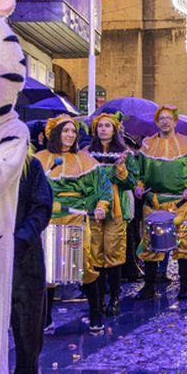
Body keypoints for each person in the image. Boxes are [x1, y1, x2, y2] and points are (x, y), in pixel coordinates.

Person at [36, 116, 113, 332]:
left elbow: (104, 187)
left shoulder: (85, 160)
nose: (70, 135)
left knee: (85, 266)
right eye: (65, 130)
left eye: (73, 131)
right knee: (49, 269)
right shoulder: (40, 159)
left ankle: (96, 313)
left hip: (77, 218)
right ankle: (45, 318)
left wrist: (101, 206)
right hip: (49, 219)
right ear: (55, 133)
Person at [127, 103, 187, 301]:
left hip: (179, 202)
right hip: (153, 202)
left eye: (168, 118)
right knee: (150, 245)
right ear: (156, 121)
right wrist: (138, 186)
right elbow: (139, 172)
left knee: (183, 246)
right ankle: (149, 286)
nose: (164, 122)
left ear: (175, 121)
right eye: (161, 118)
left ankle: (184, 287)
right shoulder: (147, 145)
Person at [10, 146, 55, 374]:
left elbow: (41, 206)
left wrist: (23, 237)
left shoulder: (31, 166)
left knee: (28, 321)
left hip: (24, 254)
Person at [85, 112, 133, 312]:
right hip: (92, 208)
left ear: (114, 130)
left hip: (116, 208)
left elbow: (130, 182)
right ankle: (98, 300)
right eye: (100, 126)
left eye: (108, 126)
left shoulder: (125, 153)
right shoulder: (86, 153)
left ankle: (114, 298)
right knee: (94, 252)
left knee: (113, 252)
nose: (103, 129)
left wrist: (121, 168)